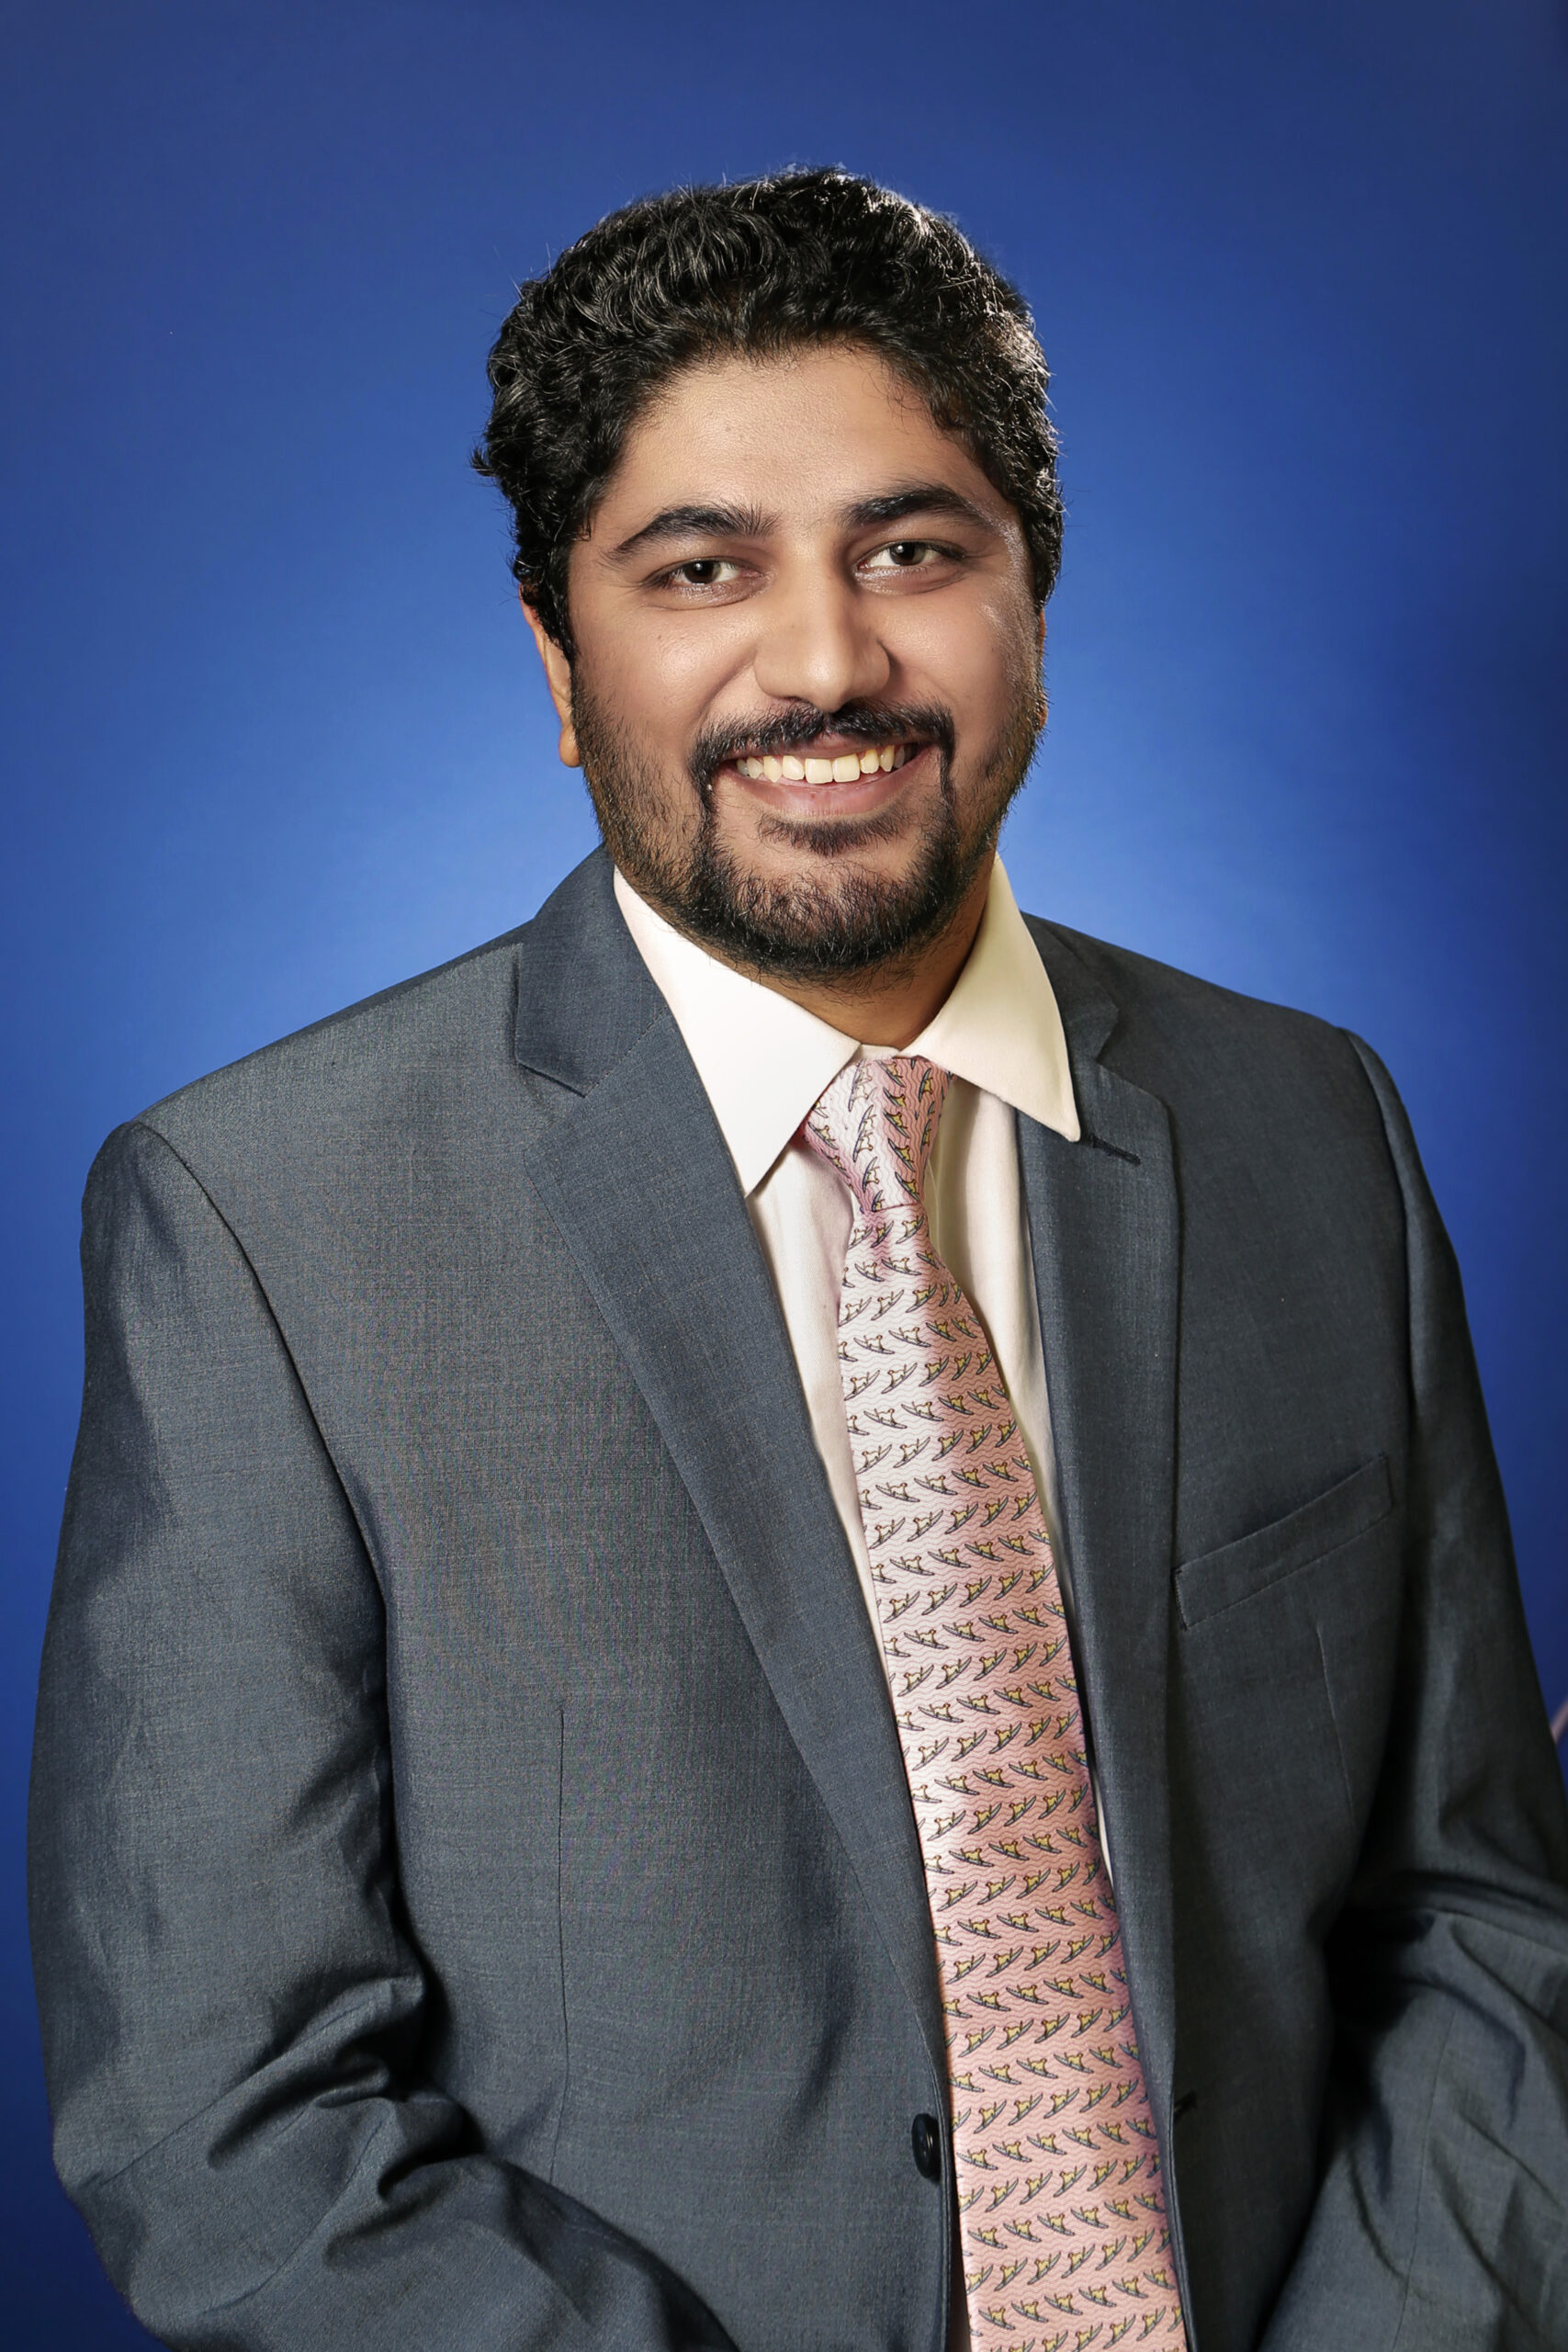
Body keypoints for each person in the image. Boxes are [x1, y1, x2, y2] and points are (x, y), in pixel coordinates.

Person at [28, 167, 1568, 2352]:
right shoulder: (260, 1222)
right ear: (563, 664)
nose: (827, 658)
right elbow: (229, 2120)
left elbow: (1485, 1916)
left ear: (1032, 599)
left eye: (910, 548)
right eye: (699, 568)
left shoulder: (1313, 1129)